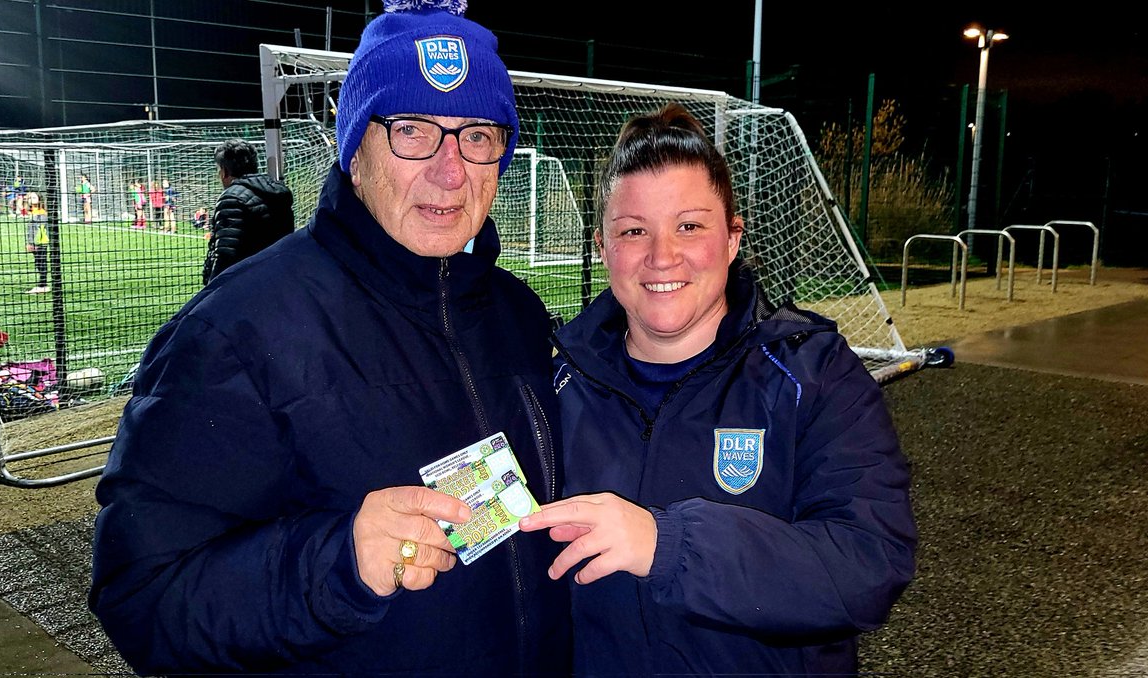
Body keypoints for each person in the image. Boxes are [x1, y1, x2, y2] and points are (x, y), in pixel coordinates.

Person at [88, 1, 570, 675]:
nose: (450, 168)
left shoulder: (516, 314)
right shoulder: (236, 331)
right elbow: (143, 598)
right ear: (355, 152)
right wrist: (337, 563)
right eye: (412, 130)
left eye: (478, 135)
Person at [519, 103, 916, 675]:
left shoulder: (814, 375)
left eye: (690, 226)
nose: (662, 256)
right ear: (602, 248)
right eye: (634, 231)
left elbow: (869, 565)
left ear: (732, 238)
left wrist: (668, 545)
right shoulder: (555, 385)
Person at [200, 138, 294, 284]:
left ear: (224, 171)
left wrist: (211, 290)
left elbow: (226, 253)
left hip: (244, 283)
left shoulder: (231, 198)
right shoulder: (279, 193)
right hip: (278, 278)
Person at [24, 192, 49, 294]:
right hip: (37, 241)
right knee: (39, 262)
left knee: (41, 262)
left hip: (39, 242)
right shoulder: (33, 211)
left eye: (34, 197)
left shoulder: (40, 212)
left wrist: (31, 243)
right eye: (30, 198)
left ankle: (43, 285)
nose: (31, 199)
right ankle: (43, 284)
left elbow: (37, 229)